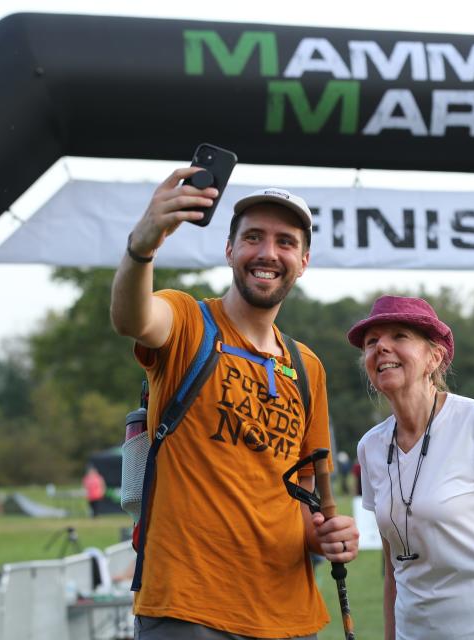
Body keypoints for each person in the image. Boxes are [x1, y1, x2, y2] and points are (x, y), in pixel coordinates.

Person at [110, 169, 359, 639]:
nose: (268, 253)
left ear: (303, 261)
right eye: (253, 238)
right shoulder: (188, 321)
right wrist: (141, 246)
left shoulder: (308, 368)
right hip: (189, 609)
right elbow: (132, 318)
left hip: (289, 615)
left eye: (285, 242)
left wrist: (328, 536)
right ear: (230, 250)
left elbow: (304, 498)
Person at [351, 295, 474, 639]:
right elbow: (394, 571)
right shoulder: (370, 447)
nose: (381, 347)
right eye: (371, 342)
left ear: (434, 357)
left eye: (399, 336)